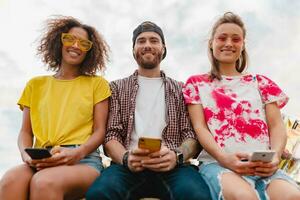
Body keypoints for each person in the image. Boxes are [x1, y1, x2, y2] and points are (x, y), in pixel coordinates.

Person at [86, 21, 211, 200]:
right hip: (126, 167)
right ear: (134, 49)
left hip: (174, 167)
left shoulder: (181, 89)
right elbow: (111, 134)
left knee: (196, 195)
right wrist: (126, 158)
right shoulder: (116, 88)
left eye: (154, 40)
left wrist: (176, 156)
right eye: (141, 41)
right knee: (99, 194)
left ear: (163, 48)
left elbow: (190, 134)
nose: (147, 45)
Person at [183, 12, 300, 200]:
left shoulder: (262, 83)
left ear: (242, 45)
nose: (229, 43)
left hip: (263, 167)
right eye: (222, 38)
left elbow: (277, 126)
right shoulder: (196, 84)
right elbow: (200, 127)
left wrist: (276, 156)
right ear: (211, 43)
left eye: (236, 39)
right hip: (218, 163)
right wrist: (224, 158)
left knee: (292, 196)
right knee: (243, 197)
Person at [0, 16, 111, 200]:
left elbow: (100, 131)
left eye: (83, 43)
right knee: (9, 180)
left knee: (44, 182)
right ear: (58, 41)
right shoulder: (35, 85)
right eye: (69, 39)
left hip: (83, 160)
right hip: (42, 158)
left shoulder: (97, 84)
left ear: (89, 51)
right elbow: (25, 133)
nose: (76, 45)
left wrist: (77, 153)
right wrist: (26, 154)